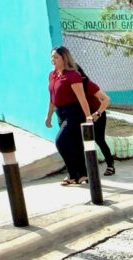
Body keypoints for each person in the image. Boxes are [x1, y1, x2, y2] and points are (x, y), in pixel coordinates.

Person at [45, 46, 94, 185]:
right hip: (60, 113)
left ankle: (74, 175)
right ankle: (82, 175)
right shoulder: (52, 75)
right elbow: (52, 98)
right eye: (52, 57)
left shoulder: (73, 75)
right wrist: (48, 116)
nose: (52, 59)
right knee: (74, 144)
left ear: (64, 58)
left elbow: (82, 98)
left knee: (60, 142)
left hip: (74, 113)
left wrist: (88, 116)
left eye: (56, 57)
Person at [77, 65, 115, 176]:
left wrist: (98, 113)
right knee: (80, 142)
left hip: (96, 115)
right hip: (82, 116)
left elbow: (106, 99)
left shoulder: (88, 84)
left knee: (99, 139)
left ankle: (110, 165)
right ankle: (84, 171)